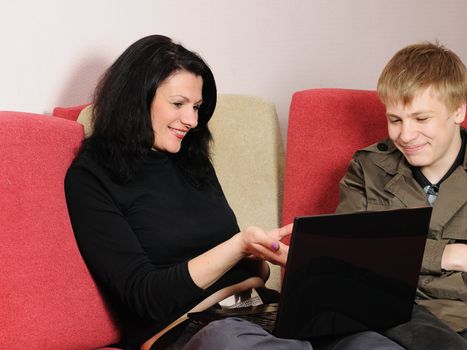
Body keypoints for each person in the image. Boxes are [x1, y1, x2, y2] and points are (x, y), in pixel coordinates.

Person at [65, 34, 404, 350]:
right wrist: (238, 245)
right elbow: (145, 296)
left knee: (367, 340)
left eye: (196, 107)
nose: (191, 120)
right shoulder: (92, 177)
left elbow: (251, 269)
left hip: (258, 307)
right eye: (179, 103)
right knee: (229, 339)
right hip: (186, 329)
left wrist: (262, 255)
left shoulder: (191, 160)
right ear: (137, 98)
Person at [336, 41, 467, 349]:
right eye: (395, 120)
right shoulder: (367, 168)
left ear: (458, 110)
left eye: (421, 119)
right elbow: (345, 269)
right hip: (386, 317)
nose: (405, 135)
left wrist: (396, 266)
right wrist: (454, 256)